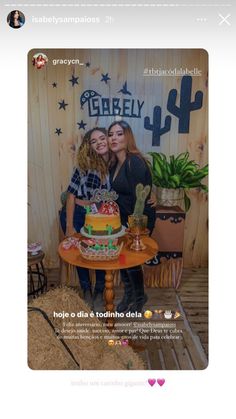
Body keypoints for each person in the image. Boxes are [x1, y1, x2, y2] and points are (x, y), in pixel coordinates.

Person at [60, 128, 111, 311]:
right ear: (88, 146)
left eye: (102, 138)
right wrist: (69, 225)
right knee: (81, 255)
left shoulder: (112, 164)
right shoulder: (84, 164)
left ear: (108, 140)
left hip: (98, 215)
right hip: (79, 213)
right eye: (94, 141)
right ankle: (86, 290)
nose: (99, 143)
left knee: (98, 254)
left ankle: (99, 291)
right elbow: (71, 196)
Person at [108, 120, 156, 313]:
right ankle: (129, 294)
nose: (114, 138)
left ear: (127, 137)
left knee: (131, 260)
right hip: (123, 219)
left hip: (138, 219)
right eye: (111, 134)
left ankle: (139, 297)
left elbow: (140, 198)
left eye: (119, 134)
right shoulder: (114, 164)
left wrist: (133, 226)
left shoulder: (133, 162)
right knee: (123, 259)